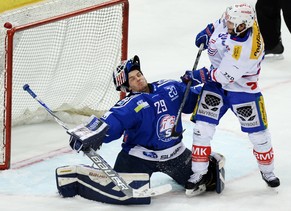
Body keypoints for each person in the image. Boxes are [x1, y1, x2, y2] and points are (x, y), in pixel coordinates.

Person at [66, 55, 225, 202]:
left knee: (208, 180)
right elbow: (113, 120)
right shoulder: (132, 103)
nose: (138, 79)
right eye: (132, 79)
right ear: (126, 87)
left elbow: (193, 101)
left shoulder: (170, 88)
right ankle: (80, 176)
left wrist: (214, 84)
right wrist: (88, 133)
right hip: (138, 159)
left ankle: (204, 162)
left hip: (174, 154)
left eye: (138, 74)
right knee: (123, 194)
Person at [182, 3, 280, 196]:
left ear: (243, 26)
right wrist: (208, 30)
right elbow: (219, 23)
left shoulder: (246, 50)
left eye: (230, 23)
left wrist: (197, 76)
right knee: (202, 128)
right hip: (216, 87)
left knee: (259, 136)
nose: (226, 24)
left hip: (242, 91)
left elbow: (222, 76)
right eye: (227, 20)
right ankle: (198, 173)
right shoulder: (236, 21)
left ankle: (268, 172)